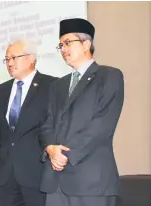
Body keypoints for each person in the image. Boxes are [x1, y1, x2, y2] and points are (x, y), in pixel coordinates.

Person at [40, 18, 124, 206]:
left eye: (68, 42)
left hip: (91, 181)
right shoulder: (57, 86)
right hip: (56, 182)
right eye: (60, 45)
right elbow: (47, 124)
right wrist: (50, 149)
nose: (63, 49)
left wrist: (65, 155)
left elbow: (102, 126)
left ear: (86, 44)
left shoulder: (109, 76)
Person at [0, 39, 57, 206]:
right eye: (7, 59)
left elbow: (53, 126)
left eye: (14, 57)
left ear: (31, 58)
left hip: (35, 172)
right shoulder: (1, 89)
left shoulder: (52, 85)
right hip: (5, 174)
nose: (9, 63)